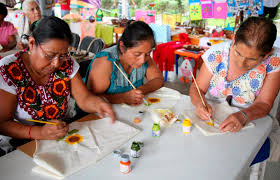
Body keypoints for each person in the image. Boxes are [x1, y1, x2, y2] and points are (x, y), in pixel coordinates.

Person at [0, 16, 116, 156]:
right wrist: (40, 132)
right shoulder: (9, 70)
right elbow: (3, 123)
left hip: (62, 134)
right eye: (50, 55)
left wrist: (98, 104)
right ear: (31, 44)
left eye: (62, 55)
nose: (56, 63)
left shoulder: (67, 63)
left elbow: (84, 98)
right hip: (23, 144)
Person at [189, 17, 280, 161]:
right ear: (234, 39)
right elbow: (197, 88)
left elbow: (264, 103)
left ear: (267, 54)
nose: (241, 62)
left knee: (233, 158)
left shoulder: (274, 61)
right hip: (212, 117)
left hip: (251, 121)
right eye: (238, 53)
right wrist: (199, 104)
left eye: (252, 59)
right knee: (194, 149)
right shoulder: (217, 53)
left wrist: (243, 116)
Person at [86, 21, 164, 106]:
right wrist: (122, 98)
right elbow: (90, 97)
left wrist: (140, 90)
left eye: (148, 54)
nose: (142, 60)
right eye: (137, 54)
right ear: (122, 47)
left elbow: (158, 80)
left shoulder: (144, 56)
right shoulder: (105, 61)